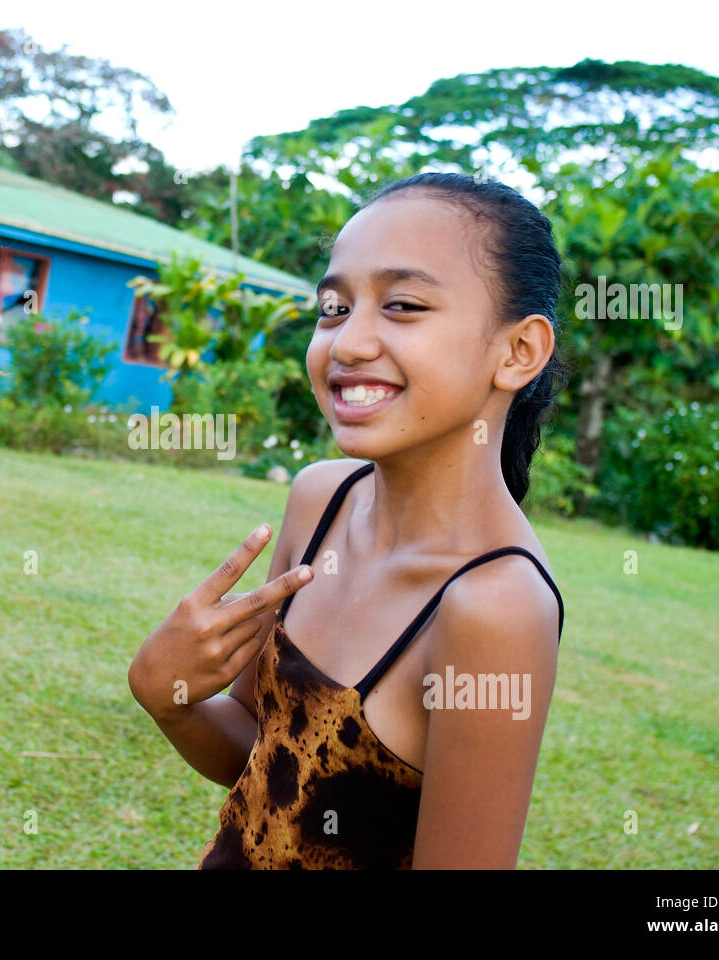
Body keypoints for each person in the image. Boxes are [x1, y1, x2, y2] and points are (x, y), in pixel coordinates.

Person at [129, 173, 566, 869]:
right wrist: (167, 695)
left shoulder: (495, 608)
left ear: (518, 352)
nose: (349, 343)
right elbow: (263, 748)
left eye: (402, 305)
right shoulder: (320, 500)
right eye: (334, 308)